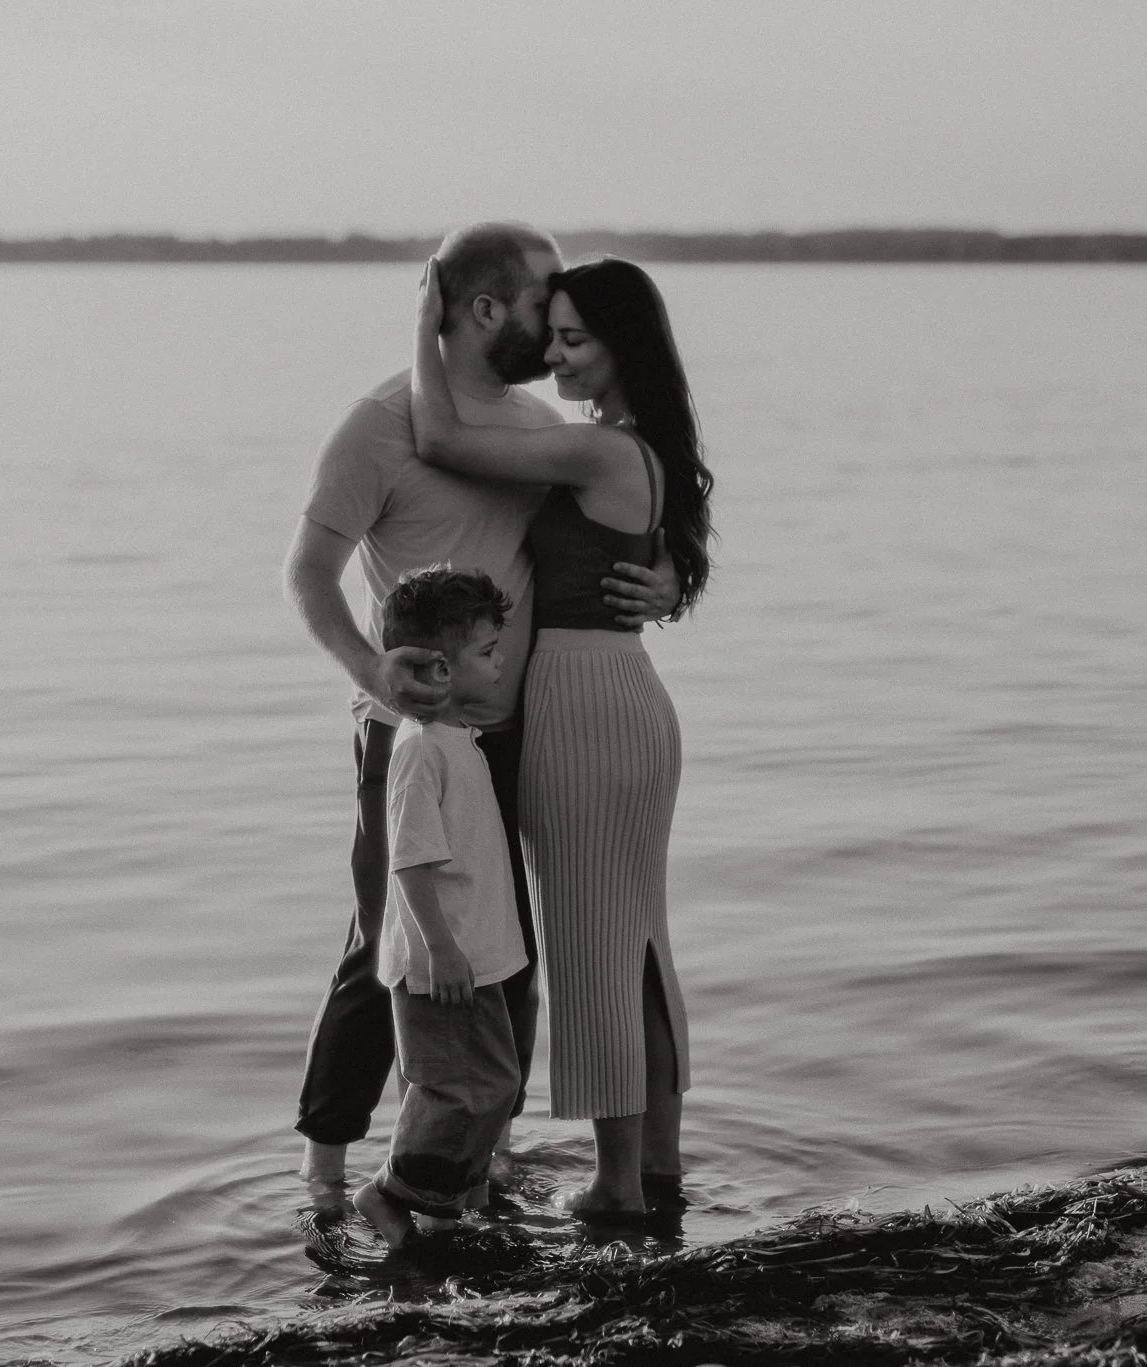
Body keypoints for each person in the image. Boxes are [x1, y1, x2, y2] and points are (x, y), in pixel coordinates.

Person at [284, 222, 679, 1209]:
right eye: (544, 298)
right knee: (389, 940)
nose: (555, 321)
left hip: (518, 729)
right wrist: (375, 669)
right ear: (485, 309)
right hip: (408, 731)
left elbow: (627, 506)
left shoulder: (534, 424)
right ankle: (327, 1164)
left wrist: (669, 578)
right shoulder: (378, 422)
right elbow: (306, 573)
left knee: (506, 950)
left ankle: (471, 1153)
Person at [411, 254, 713, 1218]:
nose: (555, 355)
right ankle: (658, 1166)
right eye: (556, 334)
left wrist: (432, 322)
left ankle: (616, 1187)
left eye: (576, 339)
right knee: (636, 942)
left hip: (584, 705)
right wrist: (672, 586)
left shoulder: (600, 452)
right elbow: (664, 563)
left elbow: (442, 435)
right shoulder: (646, 452)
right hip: (627, 696)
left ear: (627, 348)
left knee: (591, 949)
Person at [349, 566, 527, 1250]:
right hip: (441, 961)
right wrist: (440, 947)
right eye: (487, 651)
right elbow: (411, 858)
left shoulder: (459, 740)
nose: (500, 660)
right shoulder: (423, 749)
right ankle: (389, 1194)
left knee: (495, 1083)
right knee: (455, 1089)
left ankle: (449, 1199)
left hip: (476, 957)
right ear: (443, 668)